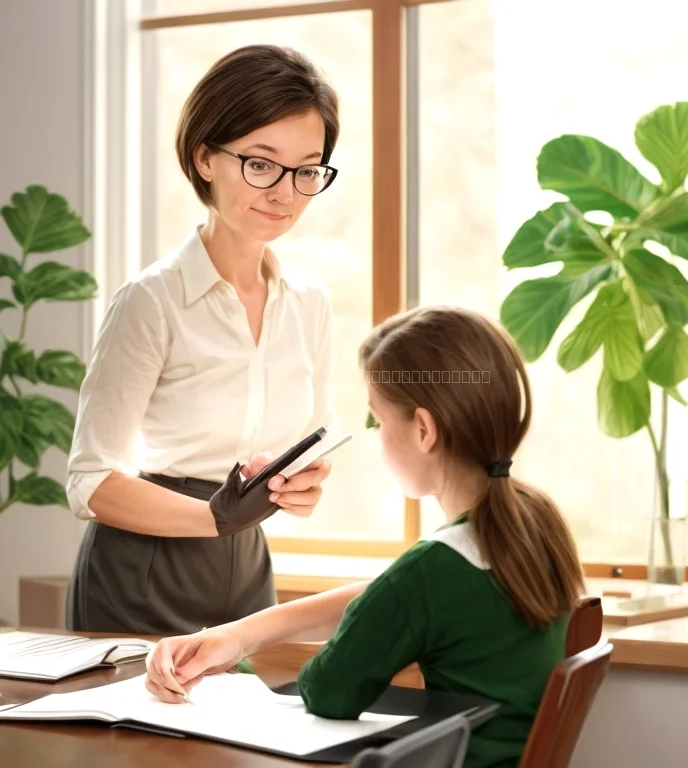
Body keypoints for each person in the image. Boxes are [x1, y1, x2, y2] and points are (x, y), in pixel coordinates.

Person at [144, 305, 586, 768]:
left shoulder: (432, 571)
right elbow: (392, 597)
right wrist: (240, 635)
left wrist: (248, 656)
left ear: (423, 429)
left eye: (377, 420)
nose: (376, 436)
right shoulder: (534, 522)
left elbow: (329, 691)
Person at [65, 45, 341, 635]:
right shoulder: (152, 300)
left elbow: (308, 452)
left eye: (306, 169)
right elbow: (89, 481)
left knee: (243, 726)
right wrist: (215, 518)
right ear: (206, 158)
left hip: (245, 567)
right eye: (261, 164)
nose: (284, 193)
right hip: (142, 569)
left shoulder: (310, 304)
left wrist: (303, 487)